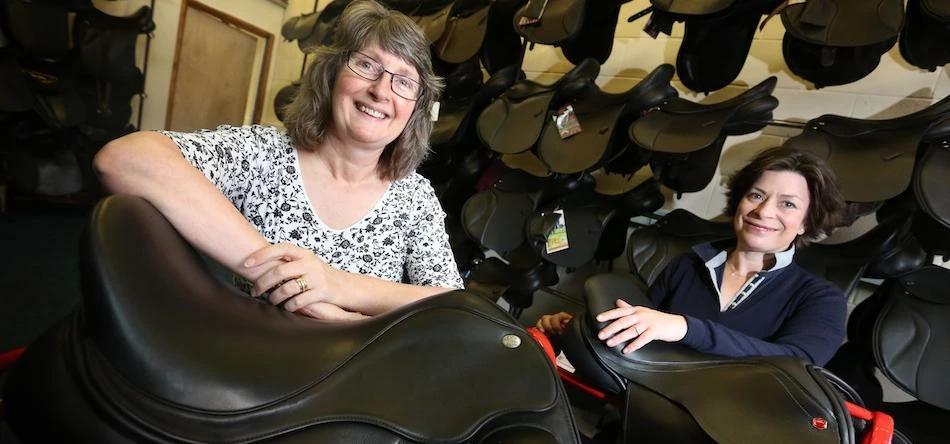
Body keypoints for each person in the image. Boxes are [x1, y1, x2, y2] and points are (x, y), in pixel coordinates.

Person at [93, 0, 463, 321]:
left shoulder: (414, 196)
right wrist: (283, 274)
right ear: (332, 74)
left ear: (415, 108)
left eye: (404, 82)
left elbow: (453, 304)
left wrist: (338, 285)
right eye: (367, 65)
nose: (381, 91)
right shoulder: (264, 153)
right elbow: (123, 159)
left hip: (357, 373)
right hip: (258, 364)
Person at [537, 146, 848, 366]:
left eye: (788, 204)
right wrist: (581, 332)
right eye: (756, 195)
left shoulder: (819, 298)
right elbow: (641, 336)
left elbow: (799, 362)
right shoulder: (688, 265)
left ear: (807, 222)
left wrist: (686, 328)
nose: (763, 211)